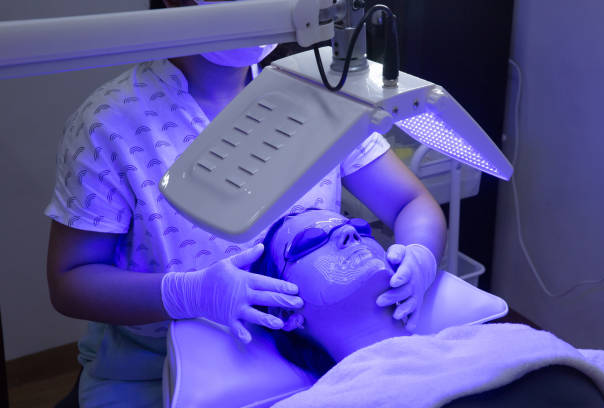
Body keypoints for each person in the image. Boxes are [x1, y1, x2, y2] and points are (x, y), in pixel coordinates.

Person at [45, 0, 446, 406]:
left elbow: (410, 202)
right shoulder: (111, 125)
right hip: (154, 367)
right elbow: (70, 280)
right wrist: (188, 295)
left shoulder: (319, 92)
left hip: (307, 356)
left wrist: (421, 254)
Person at [252, 208, 604, 408]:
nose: (351, 234)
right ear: (286, 311)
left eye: (358, 227)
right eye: (311, 240)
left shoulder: (503, 340)